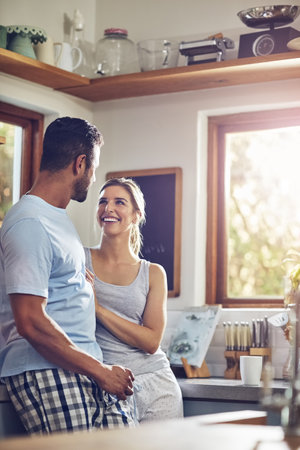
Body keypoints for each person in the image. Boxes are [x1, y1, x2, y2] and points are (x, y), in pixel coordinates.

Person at [0, 117, 135, 435]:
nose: (93, 177)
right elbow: (30, 322)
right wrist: (101, 372)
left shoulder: (55, 219)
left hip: (81, 365)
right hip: (46, 368)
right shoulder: (30, 222)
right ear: (81, 163)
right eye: (94, 167)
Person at [84, 177, 183, 423]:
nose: (108, 208)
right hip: (107, 384)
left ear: (136, 215)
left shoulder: (153, 273)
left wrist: (98, 310)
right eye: (103, 201)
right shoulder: (79, 258)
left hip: (157, 384)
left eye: (120, 202)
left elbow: (151, 341)